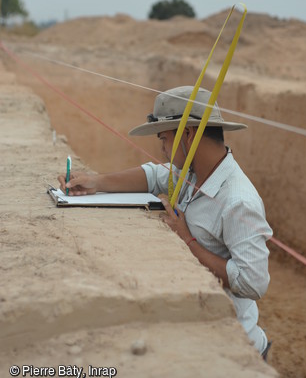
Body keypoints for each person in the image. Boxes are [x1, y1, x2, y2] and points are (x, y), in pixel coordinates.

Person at [58, 85, 273, 358]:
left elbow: (253, 283)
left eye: (164, 138)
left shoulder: (238, 201)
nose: (162, 149)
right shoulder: (192, 174)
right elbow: (153, 175)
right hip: (198, 331)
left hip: (236, 348)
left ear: (187, 134)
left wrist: (188, 241)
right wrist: (95, 182)